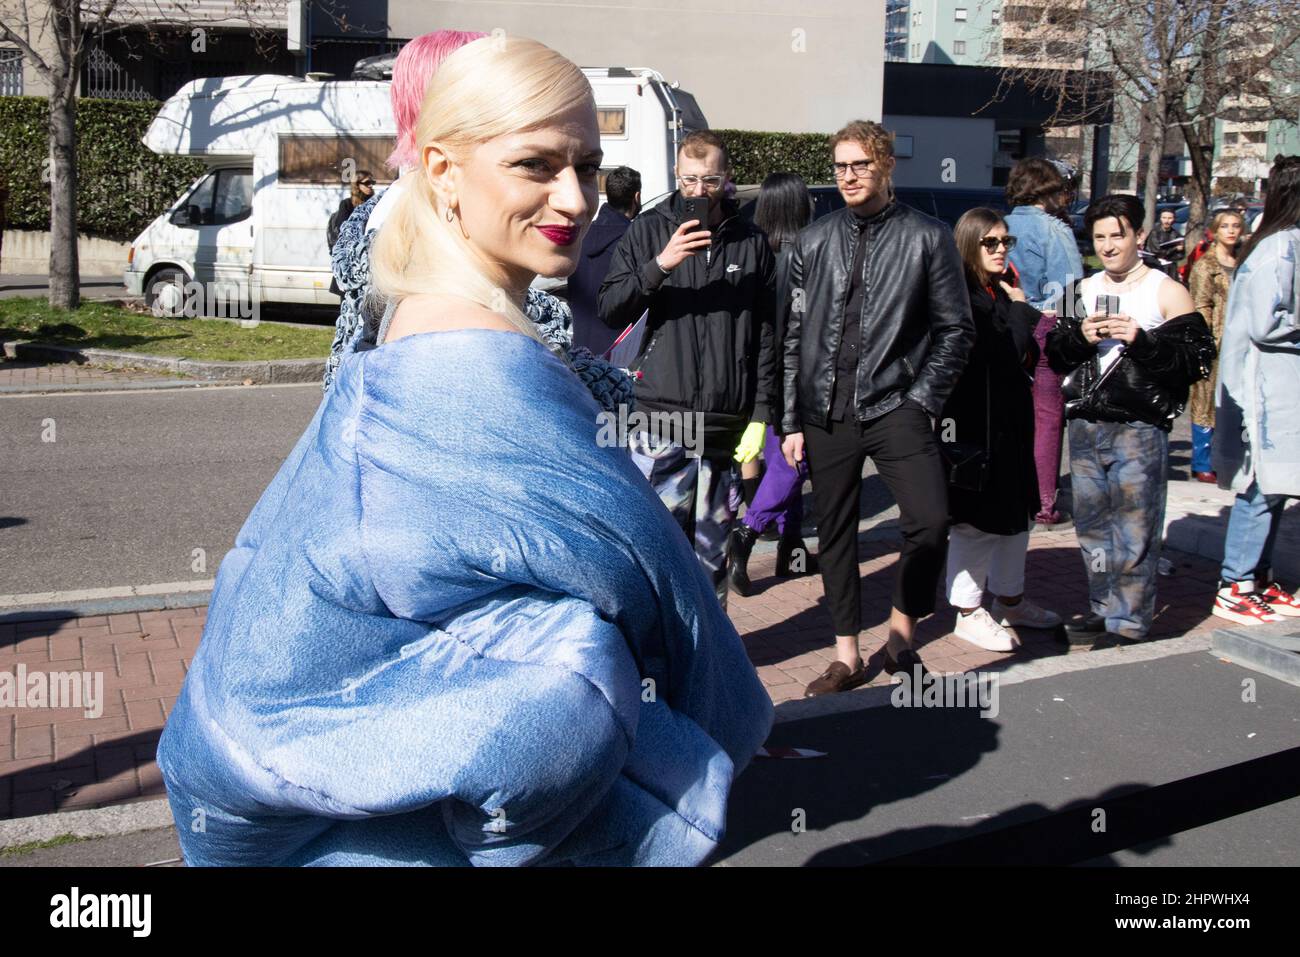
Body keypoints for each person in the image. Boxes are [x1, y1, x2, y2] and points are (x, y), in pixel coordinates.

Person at [156, 36, 773, 868]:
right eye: (535, 165)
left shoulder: (428, 312)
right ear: (442, 170)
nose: (575, 197)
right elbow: (631, 607)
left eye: (588, 166)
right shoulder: (474, 353)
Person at [780, 120, 974, 696]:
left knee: (930, 522)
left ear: (886, 165)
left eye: (859, 165)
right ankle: (847, 656)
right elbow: (792, 334)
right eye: (839, 166)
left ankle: (900, 638)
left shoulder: (927, 236)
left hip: (897, 408)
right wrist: (789, 419)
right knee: (835, 533)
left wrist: (921, 401)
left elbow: (955, 331)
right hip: (824, 412)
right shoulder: (812, 241)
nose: (847, 176)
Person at [598, 130, 778, 609]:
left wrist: (761, 412)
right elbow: (610, 308)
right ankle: (659, 663)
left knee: (711, 563)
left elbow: (766, 334)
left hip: (723, 423)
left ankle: (710, 670)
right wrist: (661, 265)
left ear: (728, 178)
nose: (699, 191)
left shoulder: (751, 241)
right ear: (677, 177)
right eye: (690, 180)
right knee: (657, 554)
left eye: (711, 180)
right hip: (661, 417)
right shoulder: (650, 229)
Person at [1047, 194, 1215, 645]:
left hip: (1139, 429)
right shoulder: (1078, 290)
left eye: (1116, 236)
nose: (1107, 246)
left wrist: (1141, 341)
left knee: (1135, 529)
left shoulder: (1166, 289)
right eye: (1099, 237)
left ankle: (1129, 623)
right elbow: (1054, 356)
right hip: (1085, 426)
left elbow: (1196, 359)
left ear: (1139, 236)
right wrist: (1080, 338)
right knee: (1092, 527)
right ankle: (1103, 608)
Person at [943, 208, 1062, 651]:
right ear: (969, 245)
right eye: (989, 242)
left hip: (1010, 423)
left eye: (1005, 242)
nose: (1000, 250)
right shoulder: (963, 297)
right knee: (976, 523)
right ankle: (968, 611)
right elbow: (1003, 353)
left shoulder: (997, 291)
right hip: (974, 425)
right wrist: (1019, 311)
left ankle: (1011, 599)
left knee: (1016, 517)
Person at [1212, 154, 1300, 624]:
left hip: (1276, 384)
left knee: (1278, 486)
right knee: (1262, 486)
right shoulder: (1278, 248)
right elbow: (1269, 323)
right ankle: (1235, 582)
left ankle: (1258, 578)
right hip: (1264, 388)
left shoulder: (1279, 243)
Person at [728, 172, 819, 596]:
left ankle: (791, 549)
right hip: (797, 376)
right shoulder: (807, 256)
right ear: (800, 206)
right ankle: (745, 535)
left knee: (784, 463)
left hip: (758, 375)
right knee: (791, 464)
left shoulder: (755, 252)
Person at [1004, 158, 1085, 529]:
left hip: (1004, 324)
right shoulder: (1053, 229)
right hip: (1044, 323)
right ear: (1048, 188)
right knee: (1047, 418)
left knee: (1010, 414)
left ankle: (1011, 492)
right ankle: (1044, 503)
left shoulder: (1000, 225)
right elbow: (1071, 292)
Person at [1186, 209, 1243, 481]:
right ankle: (1203, 462)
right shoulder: (1206, 266)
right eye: (1225, 226)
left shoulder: (1245, 261)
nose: (1231, 231)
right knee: (1205, 402)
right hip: (1214, 343)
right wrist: (1206, 341)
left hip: (1241, 341)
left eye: (1235, 226)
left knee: (1235, 402)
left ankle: (1230, 457)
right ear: (1215, 231)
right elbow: (1200, 305)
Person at [568, 166, 640, 355]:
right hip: (619, 351)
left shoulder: (581, 235)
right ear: (637, 197)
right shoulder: (633, 240)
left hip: (582, 348)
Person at [326, 170, 375, 297]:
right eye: (367, 183)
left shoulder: (376, 203)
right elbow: (344, 232)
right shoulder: (347, 205)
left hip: (369, 266)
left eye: (372, 183)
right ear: (357, 185)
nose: (371, 186)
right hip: (350, 266)